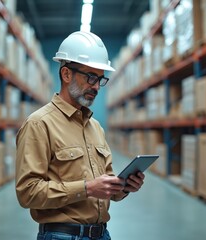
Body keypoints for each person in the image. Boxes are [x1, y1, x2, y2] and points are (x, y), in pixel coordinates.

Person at [15, 31, 145, 240]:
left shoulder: (96, 127)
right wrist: (86, 188)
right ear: (66, 74)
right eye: (91, 77)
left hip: (102, 234)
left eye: (100, 79)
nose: (95, 86)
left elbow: (107, 186)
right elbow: (27, 193)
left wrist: (124, 187)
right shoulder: (39, 124)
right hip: (62, 236)